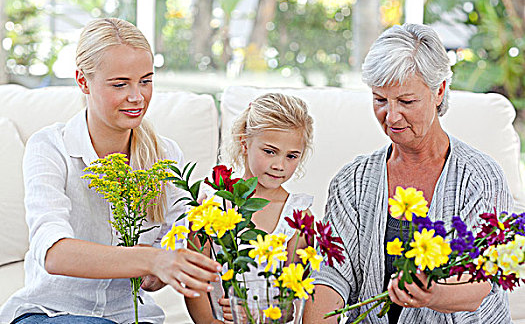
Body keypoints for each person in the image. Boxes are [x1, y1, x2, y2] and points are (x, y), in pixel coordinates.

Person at [0, 18, 222, 324]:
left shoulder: (166, 155)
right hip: (51, 314)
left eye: (145, 81)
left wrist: (182, 254)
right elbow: (53, 253)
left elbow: (154, 278)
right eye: (120, 84)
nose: (137, 97)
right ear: (82, 81)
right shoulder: (51, 148)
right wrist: (152, 259)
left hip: (133, 317)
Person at [303, 23, 514, 323]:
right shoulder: (351, 182)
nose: (390, 116)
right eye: (380, 100)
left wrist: (432, 295)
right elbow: (330, 277)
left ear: (439, 91)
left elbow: (483, 280)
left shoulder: (480, 178)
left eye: (406, 101)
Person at [185, 93, 315, 323]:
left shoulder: (298, 216)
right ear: (245, 143)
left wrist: (258, 314)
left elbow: (293, 299)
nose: (279, 165)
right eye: (270, 151)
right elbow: (193, 279)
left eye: (292, 156)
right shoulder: (212, 206)